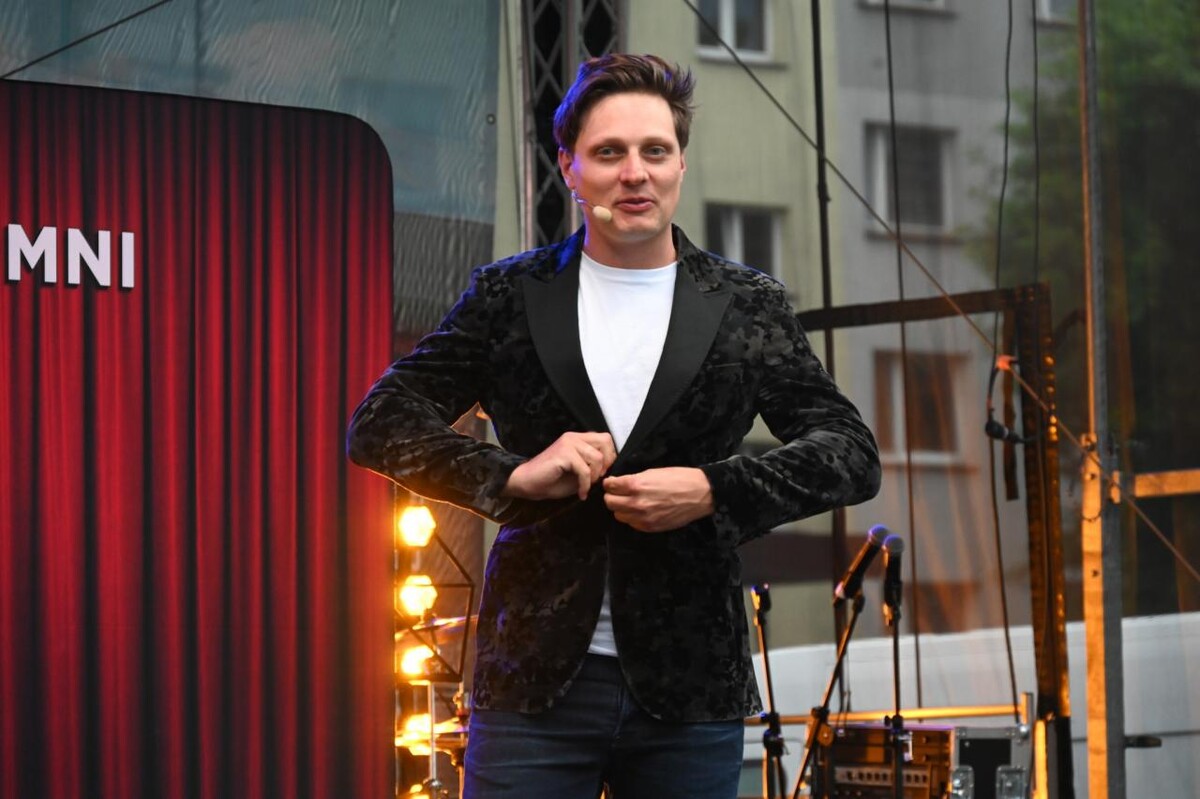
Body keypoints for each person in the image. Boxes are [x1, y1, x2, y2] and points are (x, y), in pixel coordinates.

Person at [347, 53, 881, 799]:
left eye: (654, 151)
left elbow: (851, 453)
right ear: (568, 166)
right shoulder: (510, 295)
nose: (635, 173)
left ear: (681, 164)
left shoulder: (745, 303)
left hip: (691, 686)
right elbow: (379, 421)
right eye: (609, 153)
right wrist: (510, 475)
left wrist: (713, 489)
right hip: (531, 682)